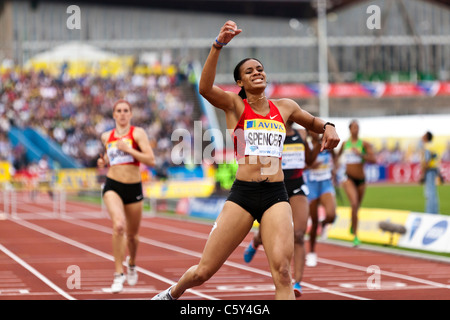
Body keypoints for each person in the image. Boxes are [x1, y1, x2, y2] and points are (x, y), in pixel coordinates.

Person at [152, 20, 339, 300]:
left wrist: (329, 127)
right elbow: (204, 88)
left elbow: (313, 121)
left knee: (283, 273)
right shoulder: (234, 105)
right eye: (249, 71)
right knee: (204, 272)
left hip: (277, 194)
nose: (257, 73)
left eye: (260, 69)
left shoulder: (285, 107)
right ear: (240, 82)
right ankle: (171, 293)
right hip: (243, 195)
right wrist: (218, 45)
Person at [242, 120, 321, 297]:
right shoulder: (274, 133)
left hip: (298, 187)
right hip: (277, 187)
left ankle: (298, 282)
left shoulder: (301, 134)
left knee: (299, 235)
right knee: (266, 234)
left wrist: (316, 143)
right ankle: (257, 239)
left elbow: (309, 160)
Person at [97, 99, 155, 293]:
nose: (122, 114)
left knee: (132, 236)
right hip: (113, 185)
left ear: (130, 114)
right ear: (114, 115)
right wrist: (103, 161)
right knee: (118, 225)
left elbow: (151, 160)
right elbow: (109, 157)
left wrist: (128, 149)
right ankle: (117, 275)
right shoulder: (106, 136)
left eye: (125, 111)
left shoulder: (137, 133)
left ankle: (132, 263)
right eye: (118, 111)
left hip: (133, 187)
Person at [337, 120, 375, 246]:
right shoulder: (345, 144)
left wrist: (362, 154)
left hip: (361, 180)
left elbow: (373, 159)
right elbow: (336, 157)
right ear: (350, 129)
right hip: (348, 178)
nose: (356, 129)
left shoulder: (363, 144)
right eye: (353, 127)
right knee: (353, 203)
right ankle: (356, 236)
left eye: (357, 127)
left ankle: (353, 225)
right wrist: (334, 170)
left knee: (357, 207)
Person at [305, 131, 337, 267]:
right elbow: (301, 165)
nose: (314, 133)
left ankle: (325, 224)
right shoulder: (306, 145)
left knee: (331, 214)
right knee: (314, 221)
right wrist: (311, 166)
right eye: (311, 130)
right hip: (311, 185)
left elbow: (334, 157)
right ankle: (311, 252)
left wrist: (334, 170)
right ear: (308, 132)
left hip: (325, 183)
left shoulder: (327, 143)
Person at [420, 131, 440, 214]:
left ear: (426, 137)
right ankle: (435, 211)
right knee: (433, 192)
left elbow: (427, 161)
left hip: (429, 170)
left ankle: (430, 213)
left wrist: (422, 174)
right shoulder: (433, 146)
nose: (422, 137)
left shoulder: (427, 147)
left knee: (429, 192)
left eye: (424, 135)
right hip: (434, 169)